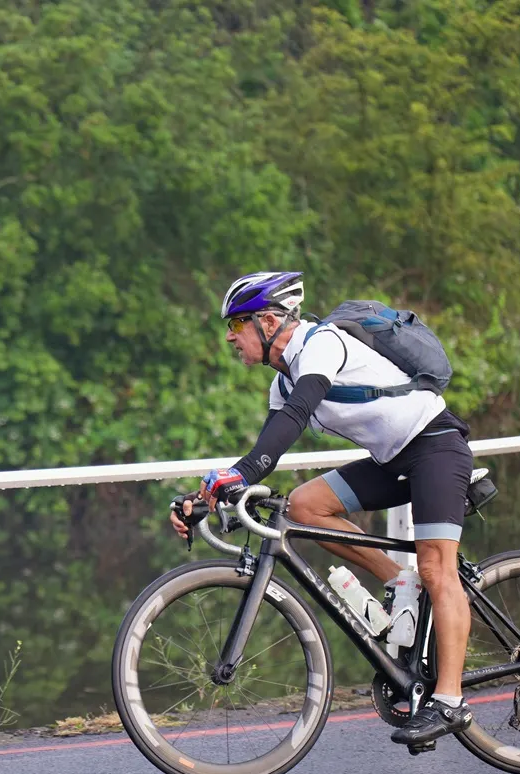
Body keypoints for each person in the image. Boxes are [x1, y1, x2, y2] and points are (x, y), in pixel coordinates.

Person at [169, 270, 475, 746]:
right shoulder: (284, 381)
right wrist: (202, 500)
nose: (230, 336)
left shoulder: (322, 345)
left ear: (268, 321)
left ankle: (451, 702)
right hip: (392, 460)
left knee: (438, 568)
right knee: (305, 507)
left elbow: (293, 421)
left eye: (236, 324)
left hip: (435, 448)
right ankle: (399, 579)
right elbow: (264, 452)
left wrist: (240, 476)